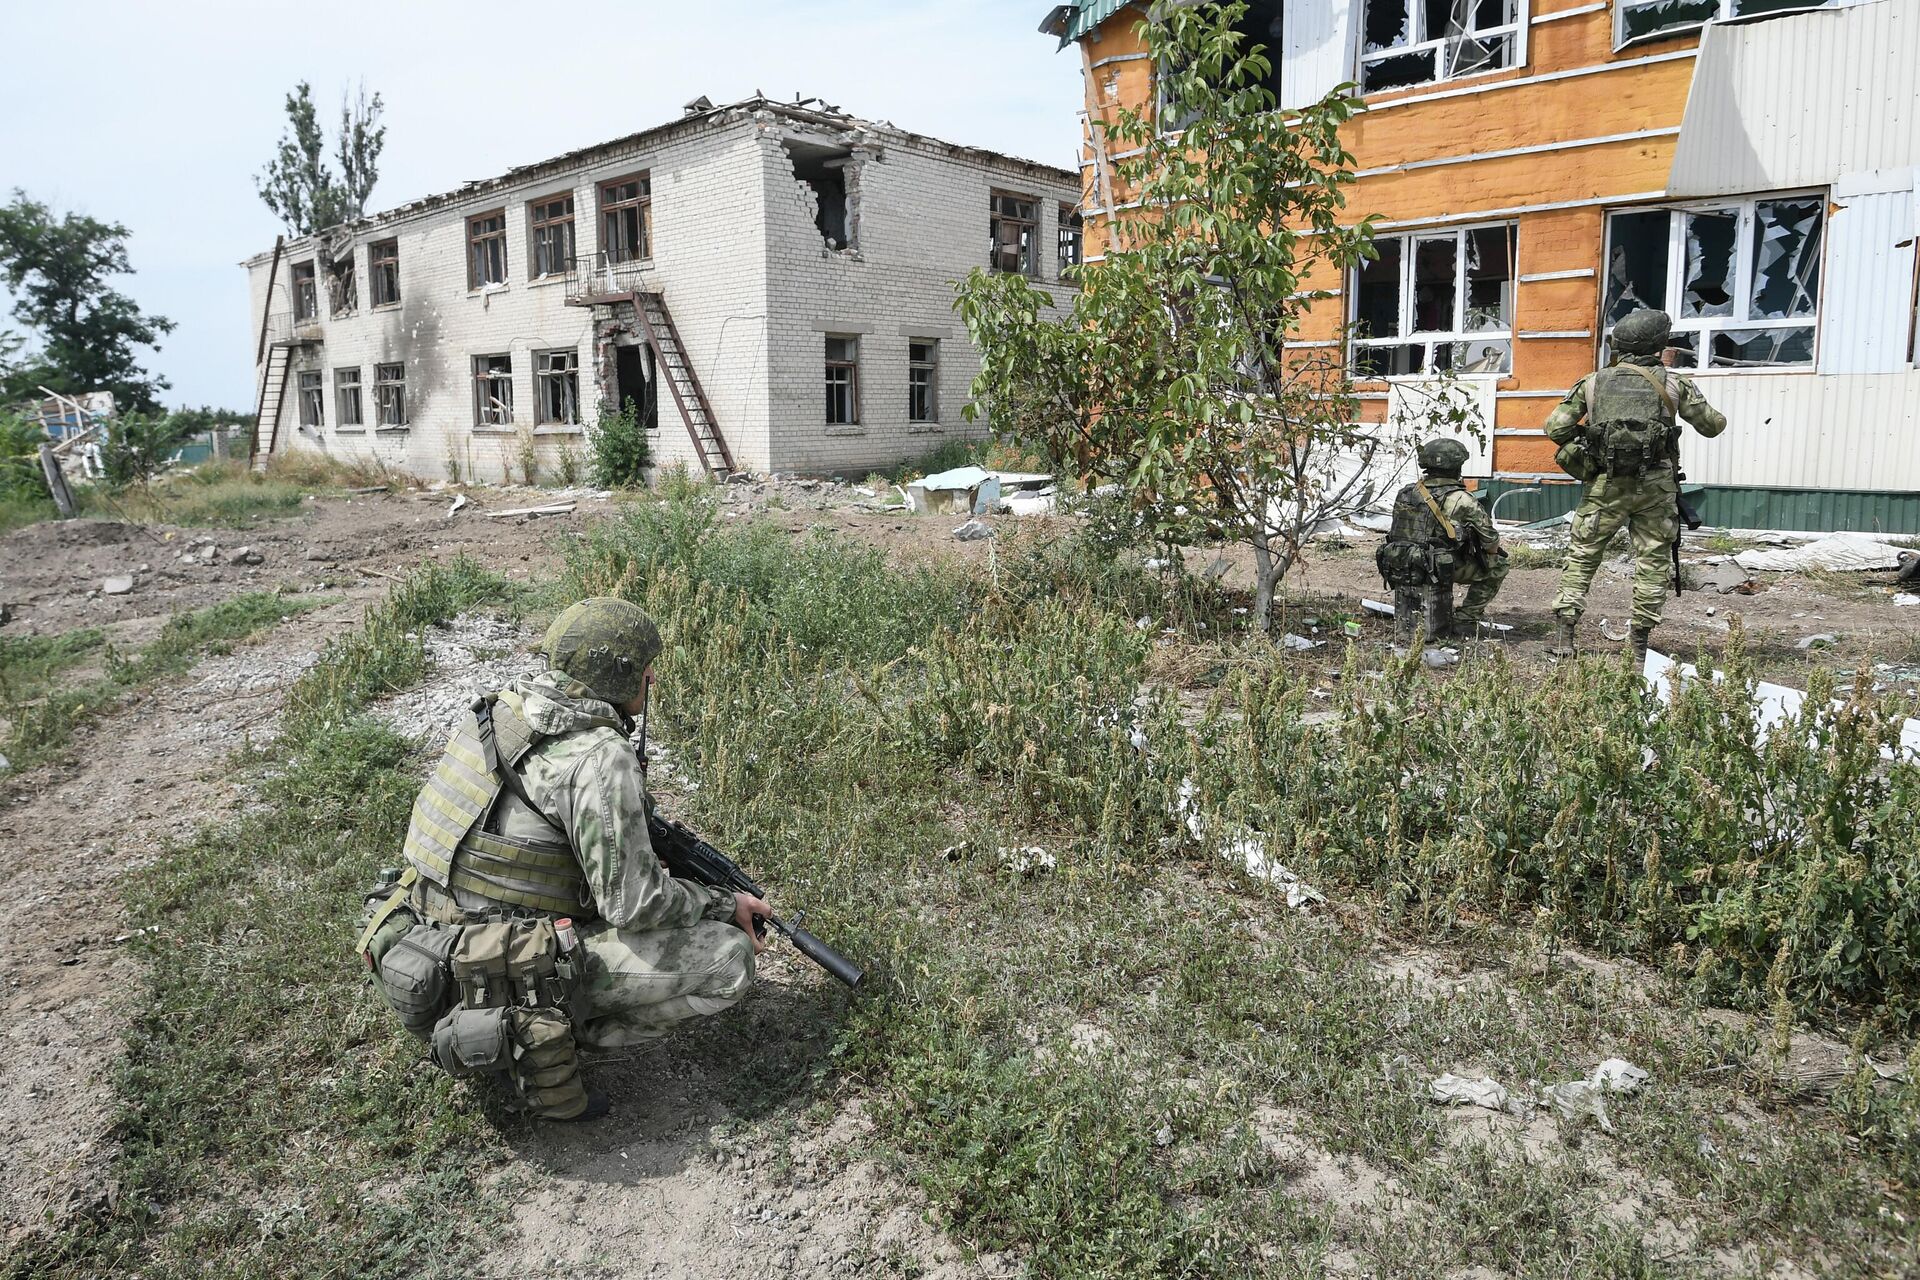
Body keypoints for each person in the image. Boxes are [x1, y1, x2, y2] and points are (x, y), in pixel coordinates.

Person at [362, 597, 765, 1121]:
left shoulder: (497, 713)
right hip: (492, 970)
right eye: (646, 671)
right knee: (728, 959)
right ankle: (546, 1033)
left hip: (415, 947)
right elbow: (636, 905)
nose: (651, 681)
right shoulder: (600, 757)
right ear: (624, 676)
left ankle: (521, 1016)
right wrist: (720, 903)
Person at [1544, 309, 1727, 661]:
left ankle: (1566, 639)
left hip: (1604, 485)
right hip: (1656, 489)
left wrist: (1593, 436)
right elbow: (1712, 425)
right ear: (1658, 345)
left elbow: (1555, 428)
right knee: (1653, 562)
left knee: (1582, 557)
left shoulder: (1593, 382)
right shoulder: (1674, 383)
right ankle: (1640, 645)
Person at [1376, 437, 1509, 640]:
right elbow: (1491, 544)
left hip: (1403, 565)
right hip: (1437, 569)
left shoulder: (1406, 493)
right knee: (1499, 564)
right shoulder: (1463, 500)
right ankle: (1465, 619)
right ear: (1457, 467)